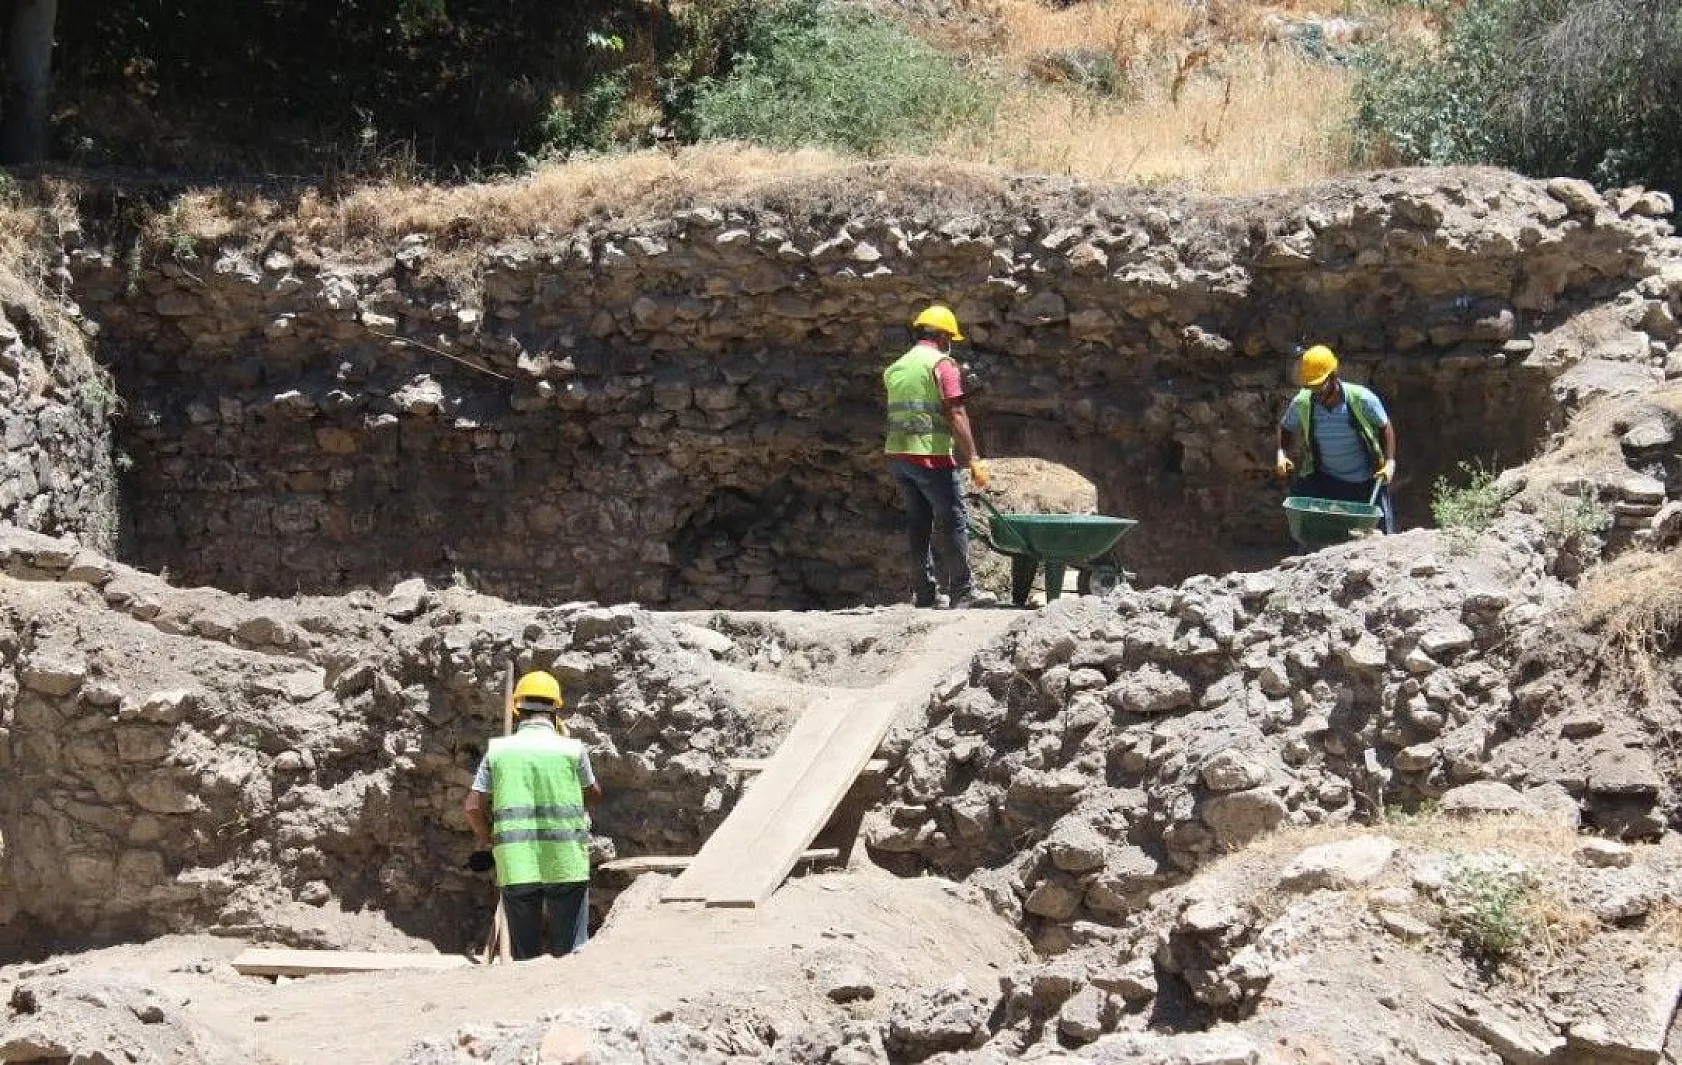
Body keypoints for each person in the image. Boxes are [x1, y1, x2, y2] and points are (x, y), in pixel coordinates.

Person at [463, 670, 602, 960]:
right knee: (573, 954)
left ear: (518, 708)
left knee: (526, 958)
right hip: (566, 862)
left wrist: (487, 839)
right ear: (556, 709)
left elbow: (472, 808)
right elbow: (594, 794)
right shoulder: (572, 750)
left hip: (517, 863)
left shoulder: (498, 752)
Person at [884, 304, 997, 609]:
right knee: (953, 520)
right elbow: (956, 411)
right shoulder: (942, 364)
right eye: (950, 338)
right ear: (943, 335)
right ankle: (962, 592)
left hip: (898, 456)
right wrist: (973, 456)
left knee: (919, 523)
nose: (950, 344)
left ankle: (924, 593)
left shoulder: (895, 368)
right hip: (930, 457)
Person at [1274, 344, 1398, 533]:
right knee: (1323, 535)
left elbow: (1385, 426)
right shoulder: (1303, 402)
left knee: (1378, 536)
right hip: (1326, 482)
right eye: (1311, 387)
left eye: (1320, 386)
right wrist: (1281, 454)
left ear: (1334, 375)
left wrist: (1389, 462)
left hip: (1366, 482)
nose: (1317, 393)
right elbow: (1286, 427)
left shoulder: (1362, 399)